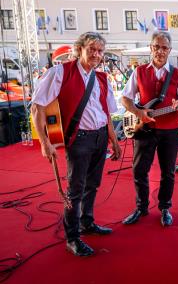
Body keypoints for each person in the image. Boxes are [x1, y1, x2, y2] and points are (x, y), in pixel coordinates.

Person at [31, 32, 122, 257]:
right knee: (75, 191)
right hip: (79, 139)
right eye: (91, 48)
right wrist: (45, 142)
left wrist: (114, 140)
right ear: (79, 48)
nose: (96, 54)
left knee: (93, 185)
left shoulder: (101, 78)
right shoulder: (60, 72)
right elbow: (38, 107)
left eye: (100, 51)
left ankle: (87, 223)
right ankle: (72, 238)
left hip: (100, 136)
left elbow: (106, 113)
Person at [121, 31, 178, 227]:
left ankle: (165, 208)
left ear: (169, 51)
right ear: (150, 47)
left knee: (168, 172)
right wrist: (138, 112)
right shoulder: (139, 72)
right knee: (139, 170)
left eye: (164, 48)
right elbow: (125, 98)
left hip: (170, 130)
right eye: (156, 46)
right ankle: (141, 207)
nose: (160, 51)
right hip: (144, 128)